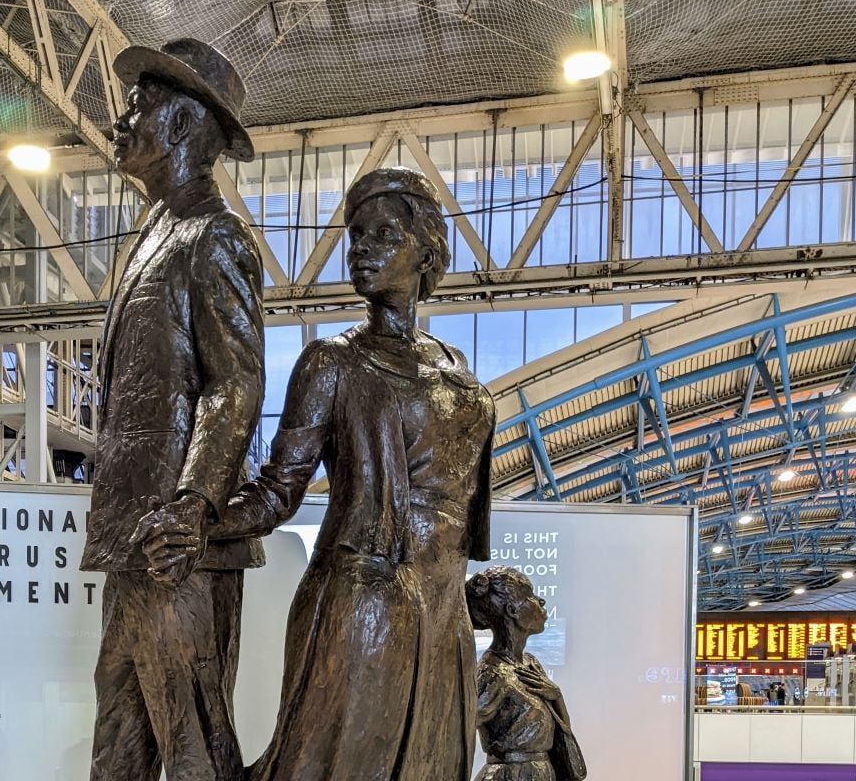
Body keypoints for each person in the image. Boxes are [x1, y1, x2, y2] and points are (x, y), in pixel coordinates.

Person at [150, 166, 496, 779]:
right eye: (355, 237)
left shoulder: (460, 375)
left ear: (426, 253)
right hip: (360, 604)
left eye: (382, 236)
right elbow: (278, 492)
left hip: (443, 615)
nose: (360, 251)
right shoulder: (331, 363)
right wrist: (200, 519)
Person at [79, 38, 265, 781]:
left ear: (185, 126)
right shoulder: (155, 236)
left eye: (139, 106)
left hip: (179, 548)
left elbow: (236, 384)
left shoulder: (213, 237)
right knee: (118, 744)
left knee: (193, 750)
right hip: (136, 542)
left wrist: (191, 506)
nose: (122, 122)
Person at [466, 566, 585, 781]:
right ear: (513, 611)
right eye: (529, 596)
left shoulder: (530, 663)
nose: (540, 601)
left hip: (541, 772)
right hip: (511, 775)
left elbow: (560, 729)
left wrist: (556, 696)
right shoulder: (493, 671)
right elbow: (464, 725)